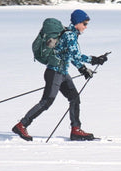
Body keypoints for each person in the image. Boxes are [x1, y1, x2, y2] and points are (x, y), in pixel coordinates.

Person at [12, 8, 108, 142]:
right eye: (84, 24)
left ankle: (76, 130)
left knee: (74, 98)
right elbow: (77, 55)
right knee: (46, 102)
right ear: (78, 22)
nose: (86, 27)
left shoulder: (71, 35)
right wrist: (95, 60)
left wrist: (83, 69)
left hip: (62, 73)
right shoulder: (69, 35)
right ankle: (21, 125)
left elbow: (70, 56)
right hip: (54, 72)